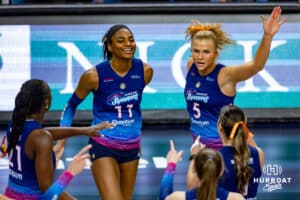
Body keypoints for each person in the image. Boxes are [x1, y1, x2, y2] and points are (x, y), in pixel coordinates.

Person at [57, 24, 153, 199]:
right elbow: (70, 106)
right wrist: (61, 141)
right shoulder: (93, 76)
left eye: (131, 39)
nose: (128, 44)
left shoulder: (145, 71)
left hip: (132, 148)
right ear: (109, 46)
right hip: (103, 145)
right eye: (121, 40)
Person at [184, 6, 287, 150]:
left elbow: (256, 65)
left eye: (206, 52)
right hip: (198, 143)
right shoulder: (190, 66)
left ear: (215, 54)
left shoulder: (225, 75)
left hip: (223, 146)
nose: (200, 57)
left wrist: (267, 36)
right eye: (196, 51)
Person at [0, 79, 115, 200]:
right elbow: (48, 194)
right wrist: (70, 173)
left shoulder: (15, 124)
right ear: (46, 103)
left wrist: (85, 130)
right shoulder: (41, 138)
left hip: (10, 195)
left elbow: (45, 133)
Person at [186, 104, 264, 199]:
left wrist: (194, 155)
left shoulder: (216, 159)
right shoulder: (258, 153)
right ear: (244, 127)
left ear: (219, 127)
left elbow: (192, 186)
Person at [159, 140, 244, 200]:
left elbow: (163, 197)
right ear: (221, 171)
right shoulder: (236, 198)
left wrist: (171, 165)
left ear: (195, 170)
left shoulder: (177, 198)